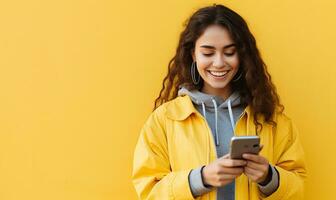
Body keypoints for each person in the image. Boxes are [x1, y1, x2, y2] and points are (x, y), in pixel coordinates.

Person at [132, 4, 307, 200]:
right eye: (208, 53)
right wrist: (200, 179)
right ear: (193, 54)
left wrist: (269, 177)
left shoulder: (269, 117)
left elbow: (298, 186)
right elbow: (148, 191)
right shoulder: (165, 119)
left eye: (229, 52)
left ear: (241, 55)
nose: (219, 62)